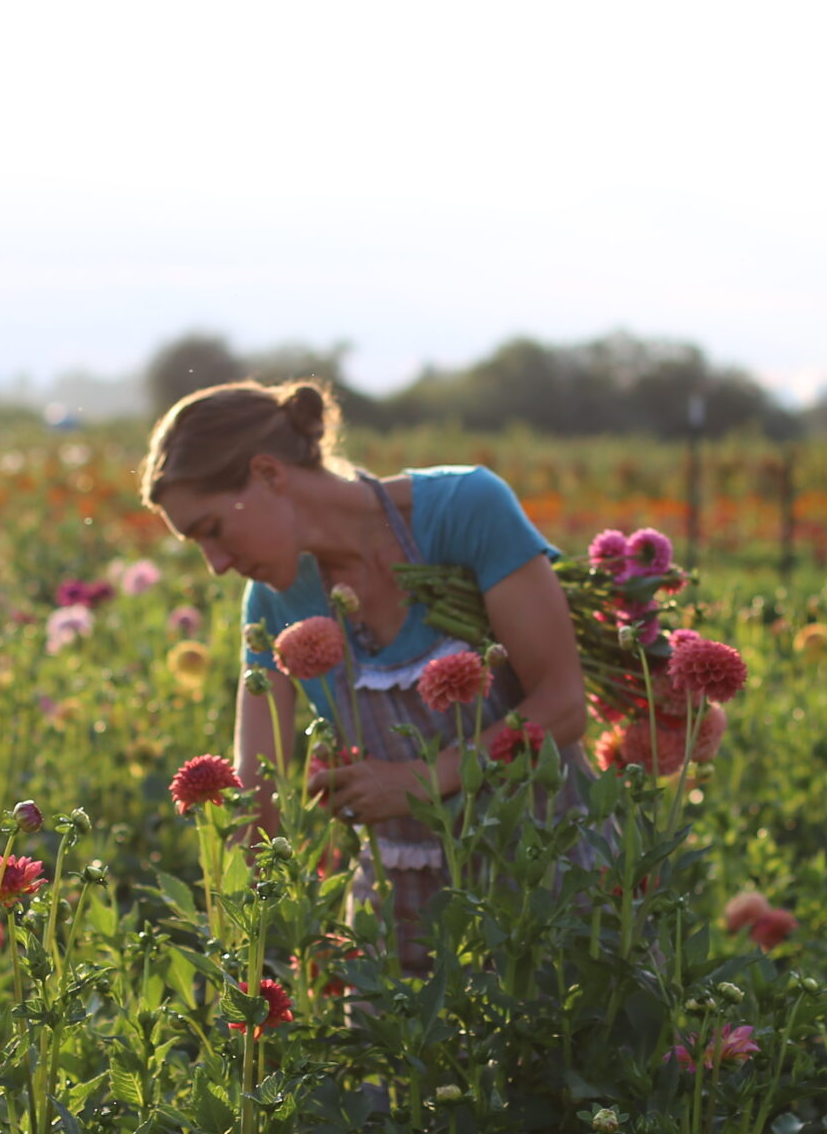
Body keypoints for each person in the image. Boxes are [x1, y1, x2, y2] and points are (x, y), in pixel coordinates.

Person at [141, 378, 588, 951]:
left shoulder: (462, 511)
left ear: (270, 474)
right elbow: (256, 786)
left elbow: (563, 706)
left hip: (547, 876)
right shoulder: (274, 603)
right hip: (399, 903)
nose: (217, 565)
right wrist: (238, 944)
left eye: (213, 530)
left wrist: (423, 780)